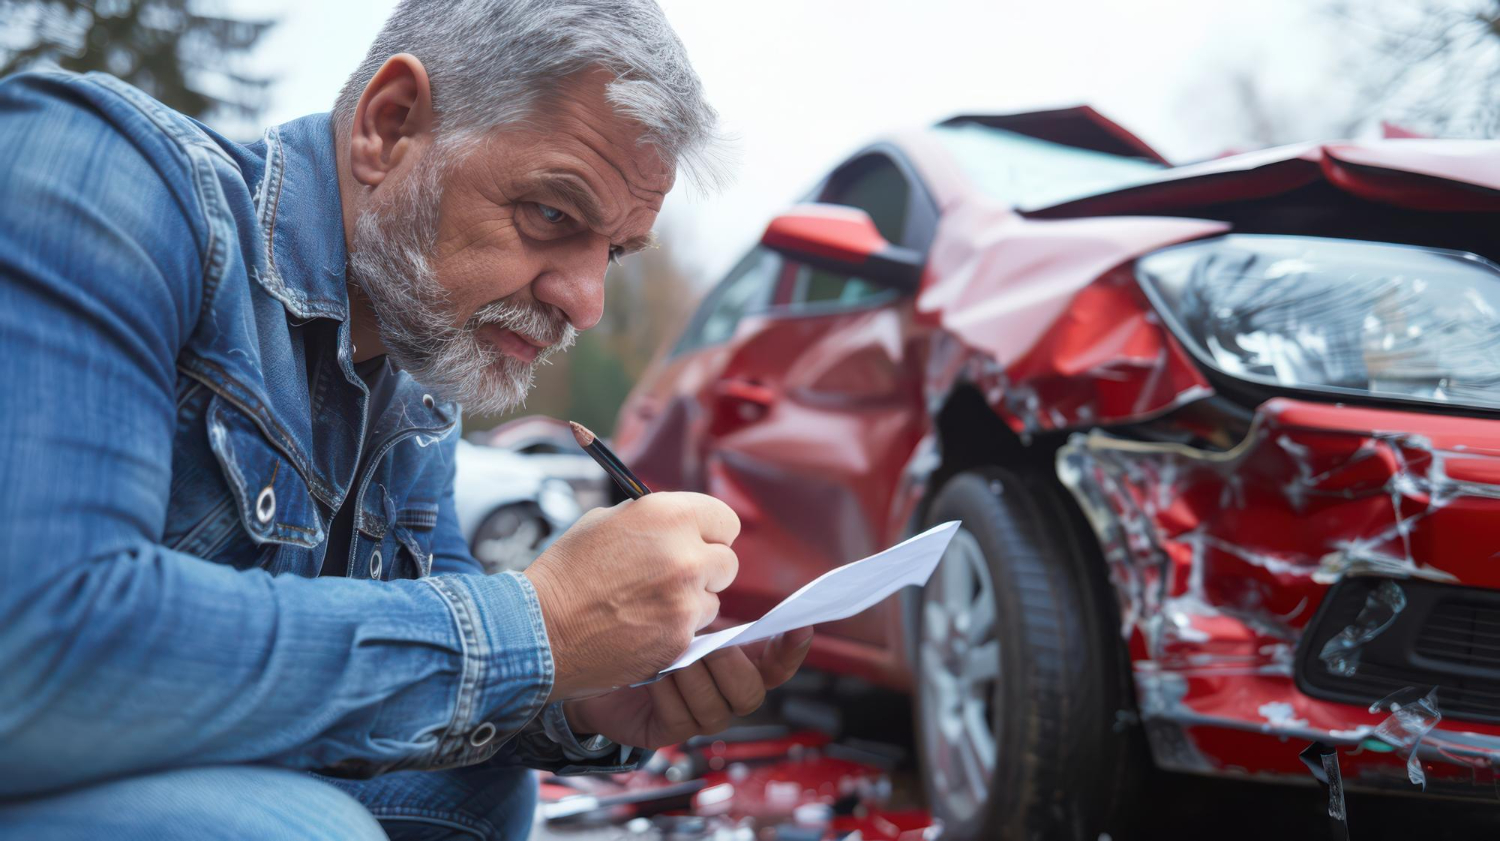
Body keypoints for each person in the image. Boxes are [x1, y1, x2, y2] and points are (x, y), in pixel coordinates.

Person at [0, 1, 812, 838]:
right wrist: (543, 621)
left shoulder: (419, 387)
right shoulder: (100, 175)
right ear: (389, 127)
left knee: (481, 799)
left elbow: (414, 657)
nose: (586, 300)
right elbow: (33, 640)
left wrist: (580, 688)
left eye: (612, 250)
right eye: (552, 214)